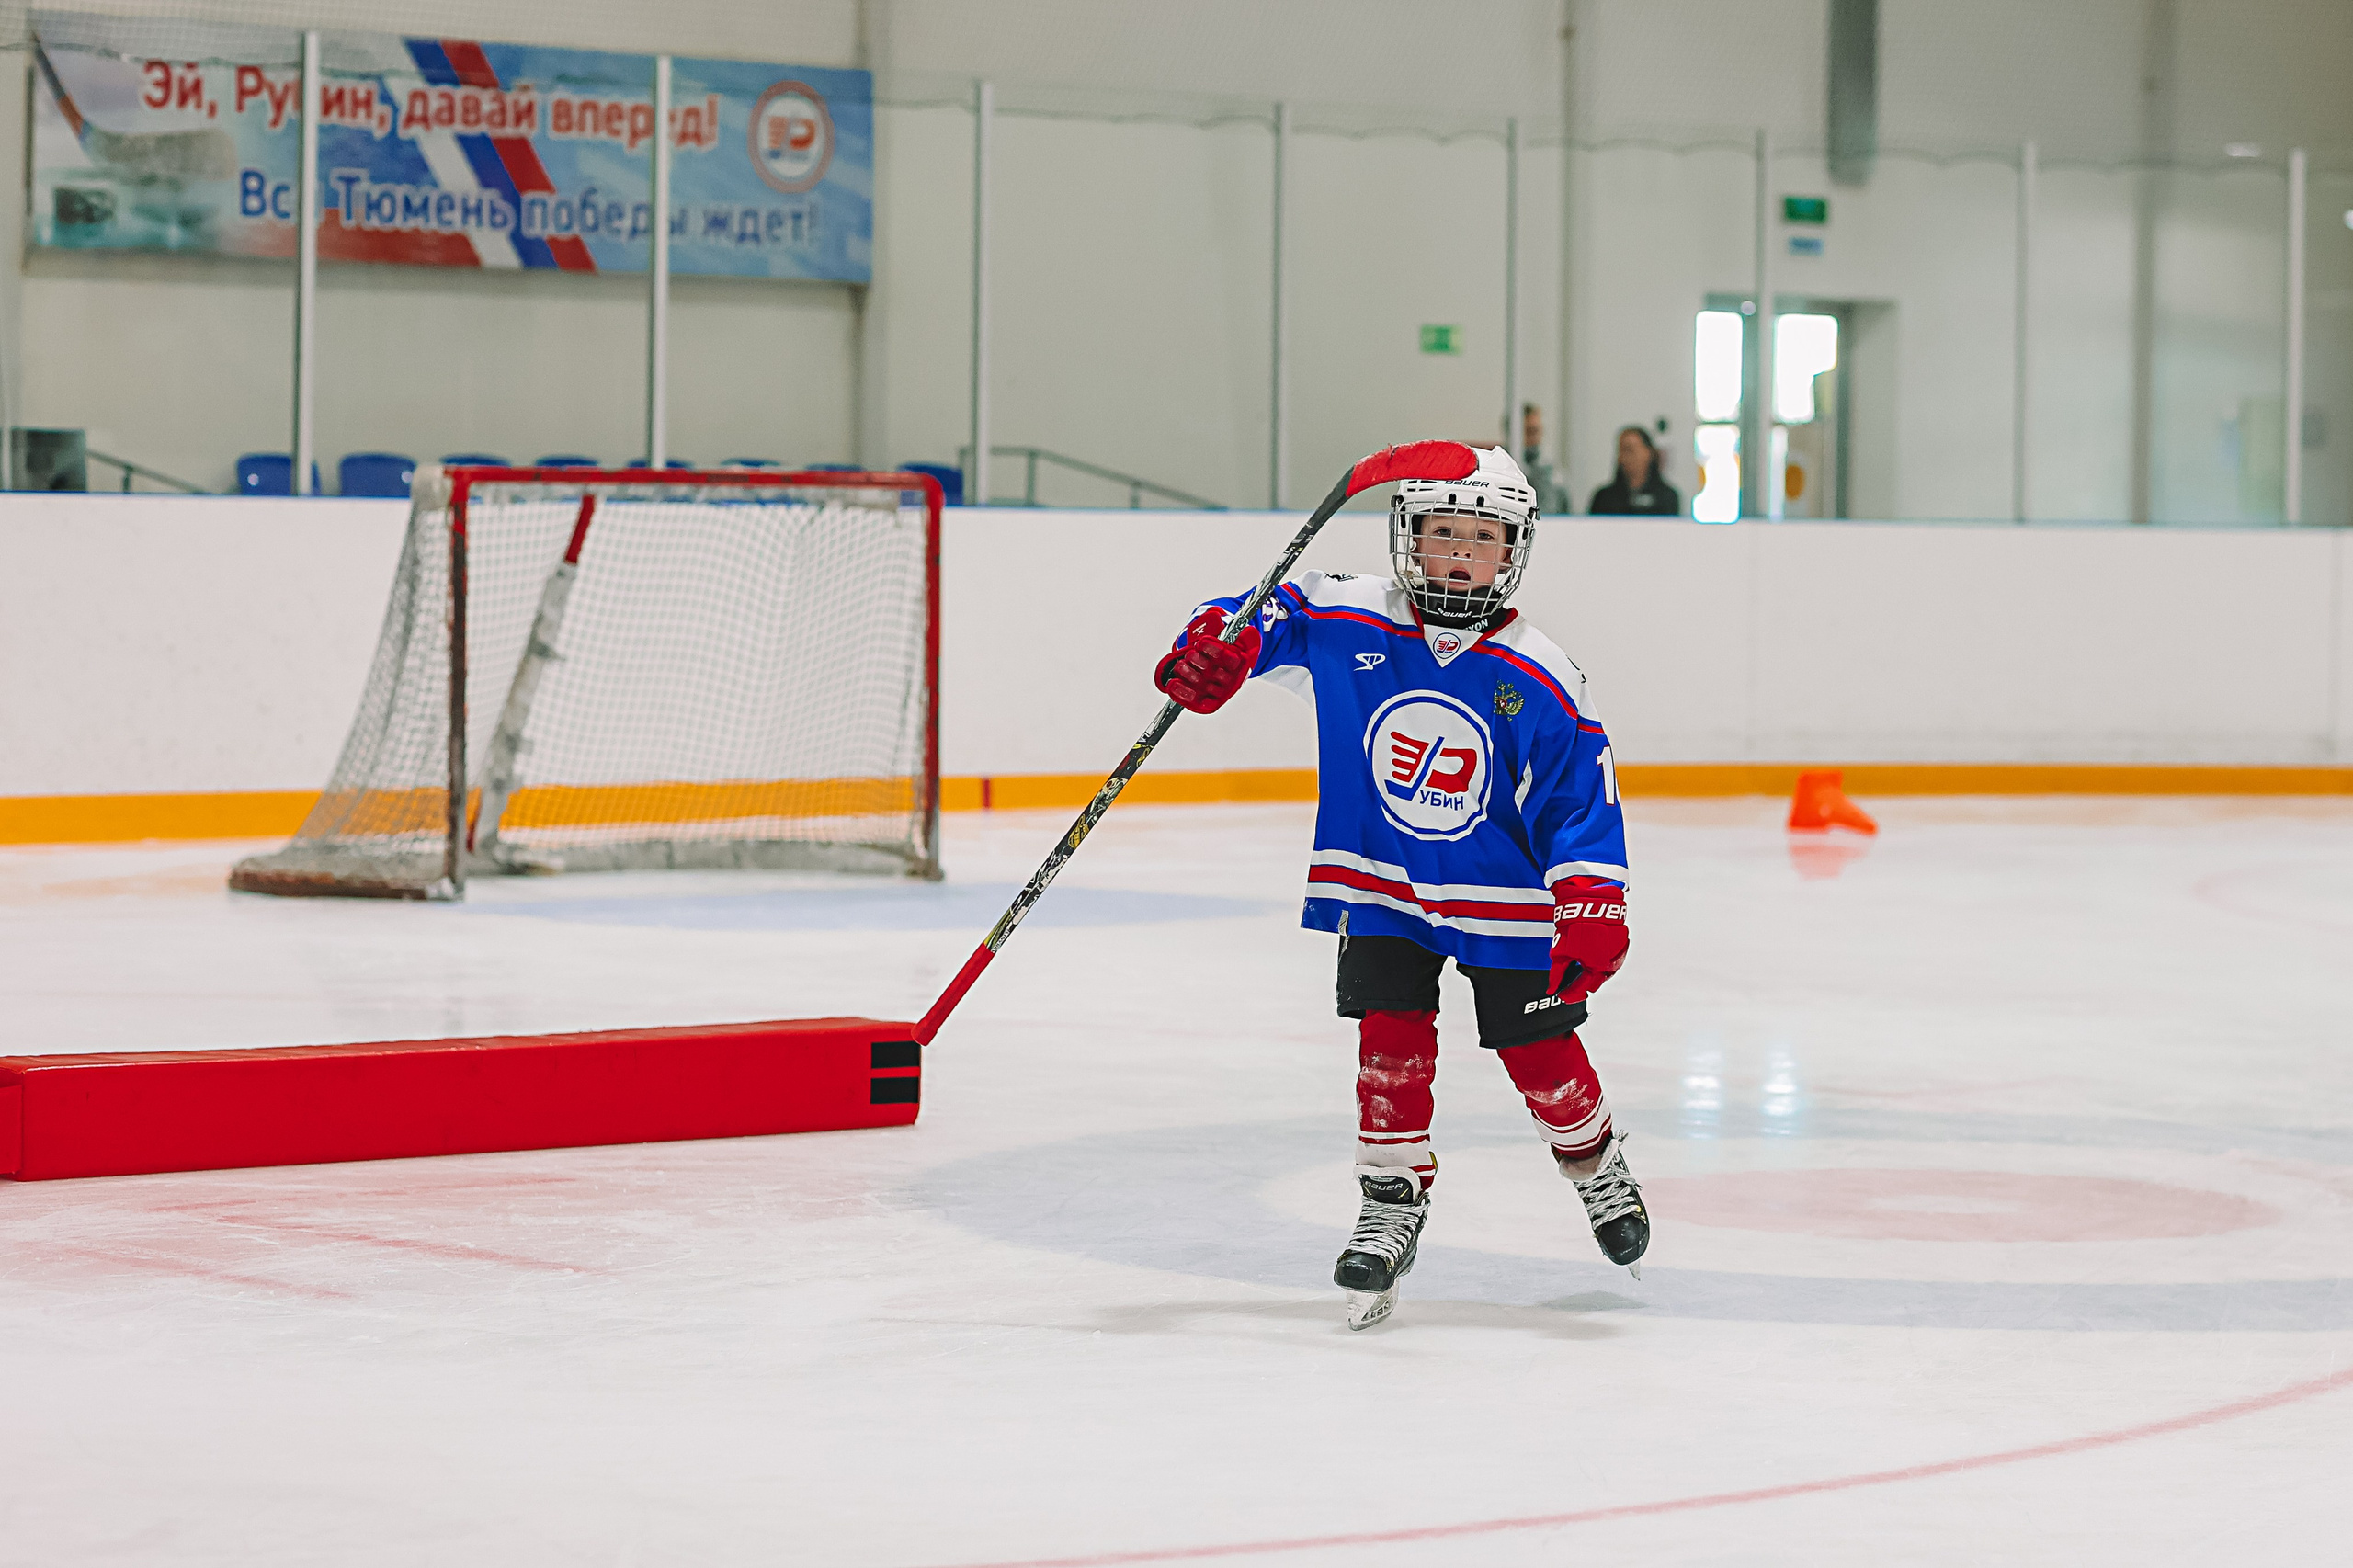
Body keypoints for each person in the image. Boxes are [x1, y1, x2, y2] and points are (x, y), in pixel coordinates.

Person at [1153, 444, 1647, 1330]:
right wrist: (1219, 643)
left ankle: (1593, 1160)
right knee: (1388, 1041)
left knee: (1540, 1055)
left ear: (1514, 550)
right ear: (1406, 538)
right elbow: (1265, 613)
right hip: (1382, 884)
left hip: (1507, 898)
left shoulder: (1543, 670)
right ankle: (1391, 1201)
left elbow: (1581, 798)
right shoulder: (1351, 613)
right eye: (1440, 534)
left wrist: (1592, 904)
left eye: (1481, 540)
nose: (1459, 556)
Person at [1587, 425, 1681, 517]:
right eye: (1621, 450)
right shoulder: (1604, 498)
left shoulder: (1666, 496)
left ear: (1649, 453)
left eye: (1630, 450)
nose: (1625, 457)